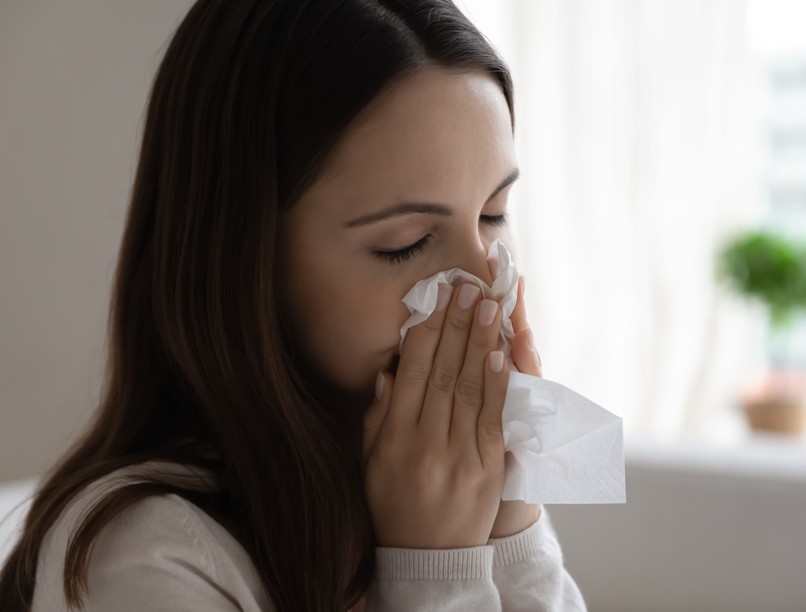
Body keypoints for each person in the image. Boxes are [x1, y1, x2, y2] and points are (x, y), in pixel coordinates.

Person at [0, 1, 586, 610]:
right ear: (246, 261)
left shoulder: (445, 481)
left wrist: (513, 532)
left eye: (494, 214)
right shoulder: (146, 558)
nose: (484, 285)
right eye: (404, 243)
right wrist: (436, 570)